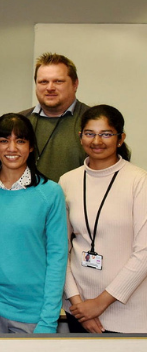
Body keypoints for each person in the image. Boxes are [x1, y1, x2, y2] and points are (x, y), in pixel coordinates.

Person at [0, 113, 67, 334]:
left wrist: (48, 318)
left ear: (31, 147)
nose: (12, 148)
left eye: (20, 141)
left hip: (33, 310)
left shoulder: (51, 192)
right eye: (4, 140)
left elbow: (57, 258)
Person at [60, 105, 147, 333]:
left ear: (120, 139)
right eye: (90, 133)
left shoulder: (139, 181)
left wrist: (99, 304)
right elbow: (61, 248)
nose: (97, 141)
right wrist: (78, 305)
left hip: (128, 314)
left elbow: (144, 253)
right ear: (80, 137)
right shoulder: (68, 181)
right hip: (77, 310)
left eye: (106, 134)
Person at [19, 52, 90, 182]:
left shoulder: (94, 122)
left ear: (75, 84)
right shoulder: (19, 121)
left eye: (58, 81)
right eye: (43, 82)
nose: (50, 88)